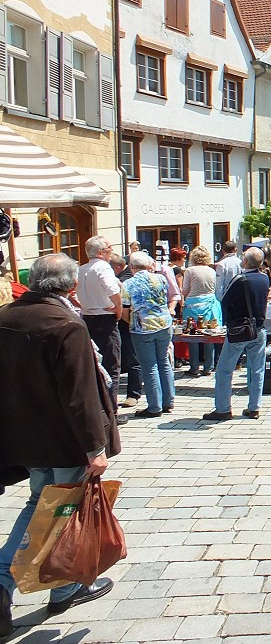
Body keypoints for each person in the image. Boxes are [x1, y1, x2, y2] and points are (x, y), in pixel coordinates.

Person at [0, 254, 120, 632]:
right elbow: (80, 394)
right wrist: (95, 448)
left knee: (46, 504)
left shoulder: (6, 317)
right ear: (70, 287)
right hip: (64, 437)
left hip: (27, 434)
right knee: (62, 509)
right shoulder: (65, 324)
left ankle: (60, 586)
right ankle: (20, 582)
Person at [202, 248, 270, 421]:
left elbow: (224, 301)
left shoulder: (241, 279)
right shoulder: (264, 278)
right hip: (259, 328)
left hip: (240, 328)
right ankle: (254, 407)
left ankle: (223, 408)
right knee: (257, 370)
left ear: (246, 262)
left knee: (224, 370)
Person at [122, 251, 176, 419]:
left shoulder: (128, 284)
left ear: (132, 267)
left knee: (149, 366)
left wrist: (132, 322)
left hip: (143, 327)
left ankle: (154, 406)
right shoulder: (160, 278)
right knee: (163, 362)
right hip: (164, 324)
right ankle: (168, 400)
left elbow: (124, 310)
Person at [76, 235, 123, 407]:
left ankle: (99, 406)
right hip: (104, 317)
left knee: (95, 364)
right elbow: (112, 290)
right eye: (109, 248)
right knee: (112, 365)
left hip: (88, 317)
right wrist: (118, 309)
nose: (111, 252)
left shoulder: (80, 269)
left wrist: (84, 305)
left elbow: (72, 293)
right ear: (101, 252)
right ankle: (111, 409)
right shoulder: (103, 267)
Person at [180, 246, 221, 377]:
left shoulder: (190, 271)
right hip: (209, 303)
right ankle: (209, 366)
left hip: (192, 304)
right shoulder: (211, 271)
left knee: (192, 335)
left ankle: (194, 366)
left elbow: (185, 290)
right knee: (209, 334)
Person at [109, 253, 142, 409]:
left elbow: (124, 307)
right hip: (127, 324)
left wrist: (130, 323)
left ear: (117, 267)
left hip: (128, 324)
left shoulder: (125, 280)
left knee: (132, 359)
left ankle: (134, 394)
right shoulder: (124, 276)